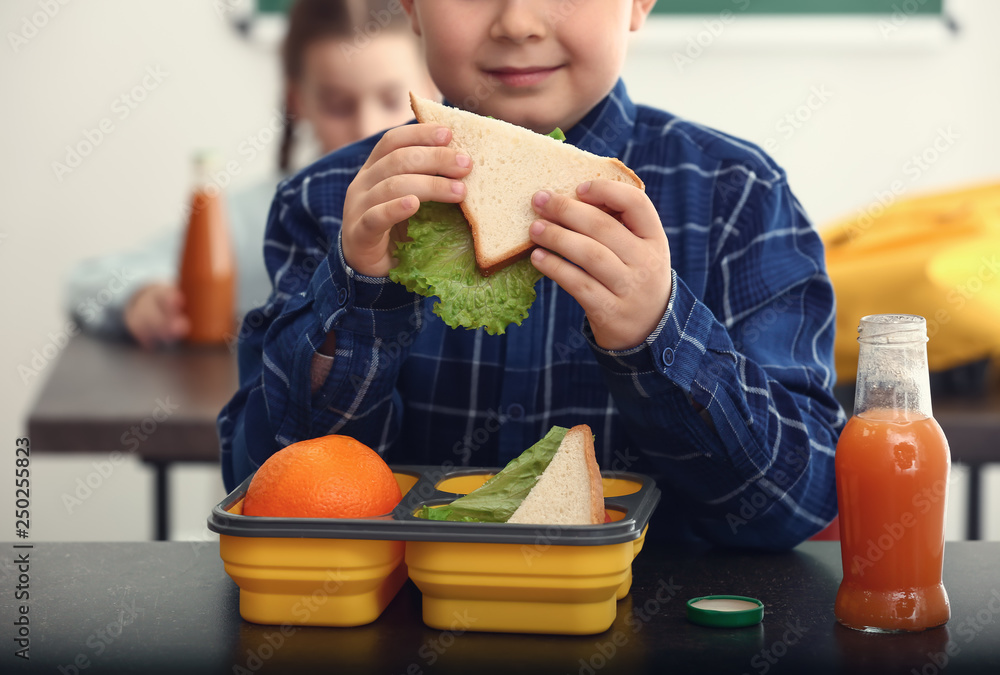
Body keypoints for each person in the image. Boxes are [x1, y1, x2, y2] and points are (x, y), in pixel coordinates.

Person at [219, 0, 845, 550]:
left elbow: (796, 502)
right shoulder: (330, 199)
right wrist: (360, 295)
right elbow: (263, 484)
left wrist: (660, 333)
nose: (517, 22)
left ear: (640, 2)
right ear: (410, 5)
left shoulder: (737, 194)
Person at [65, 0, 437, 348]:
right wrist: (141, 297)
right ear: (298, 100)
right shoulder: (257, 216)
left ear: (431, 85)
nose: (366, 128)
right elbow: (90, 280)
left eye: (391, 101)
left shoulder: (465, 214)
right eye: (338, 106)